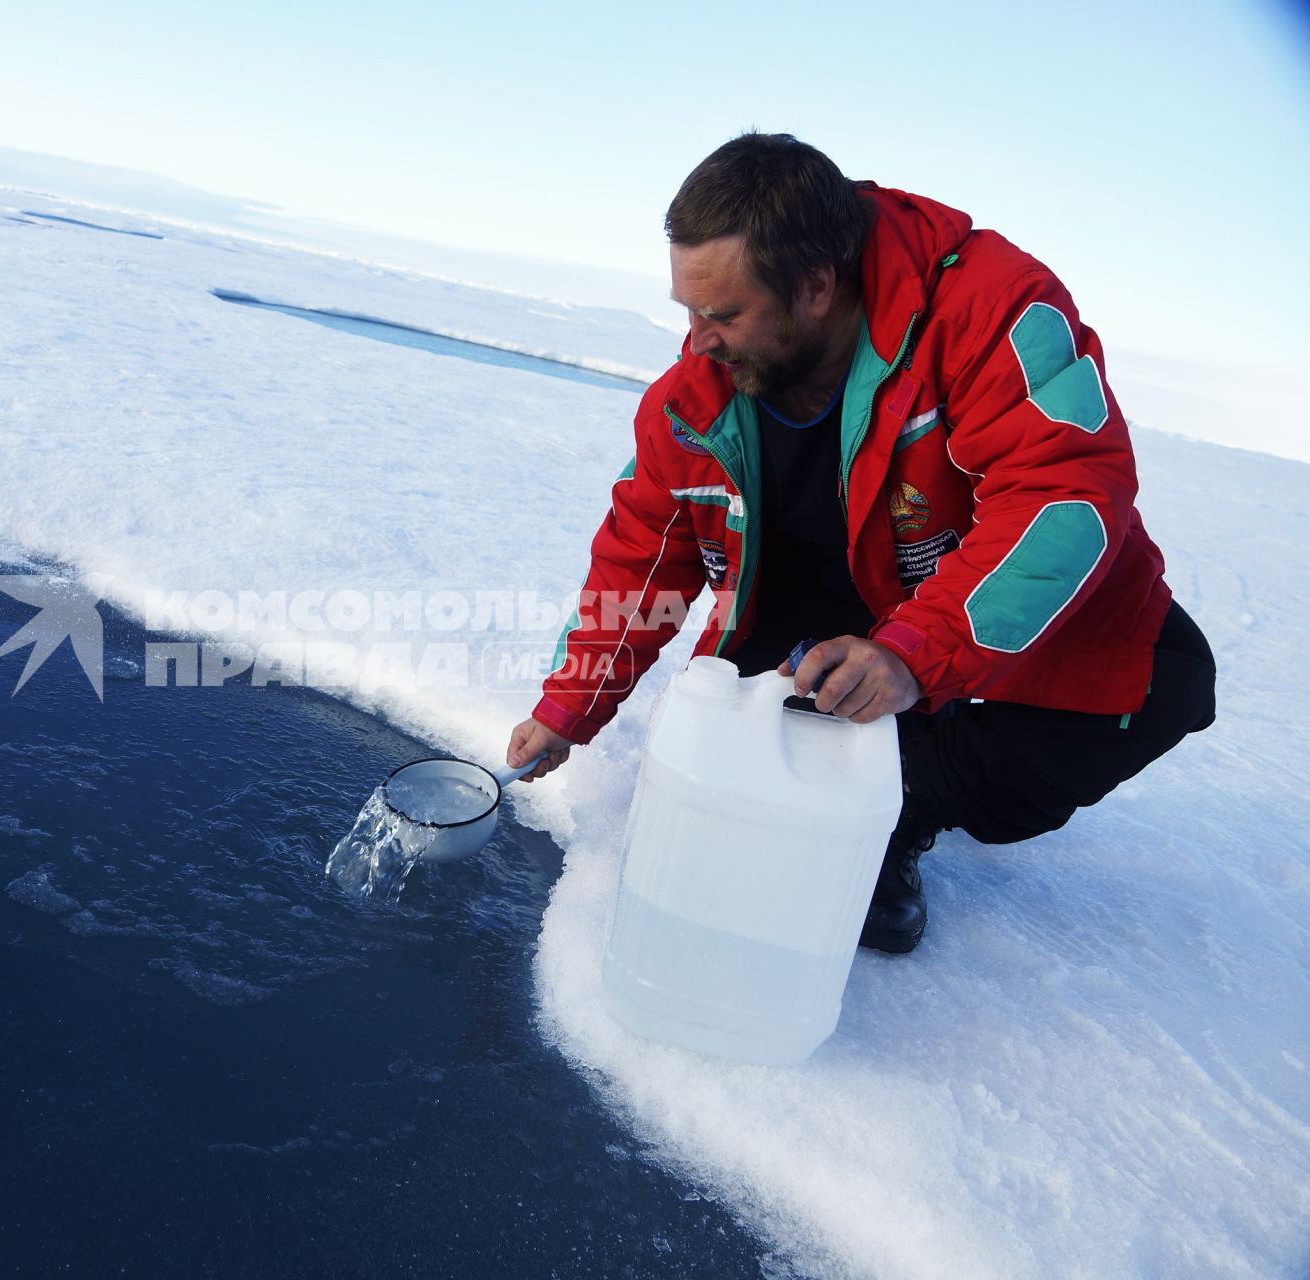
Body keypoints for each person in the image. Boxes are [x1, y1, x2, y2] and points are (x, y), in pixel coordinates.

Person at [504, 132, 1216, 954]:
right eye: (688, 311)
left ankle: (902, 806)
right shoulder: (696, 391)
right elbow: (640, 552)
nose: (696, 340)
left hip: (944, 597)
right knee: (753, 764)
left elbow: (1063, 493)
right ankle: (821, 780)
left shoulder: (988, 309)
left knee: (1163, 681)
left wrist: (915, 654)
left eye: (724, 314)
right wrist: (568, 708)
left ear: (815, 286)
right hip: (799, 612)